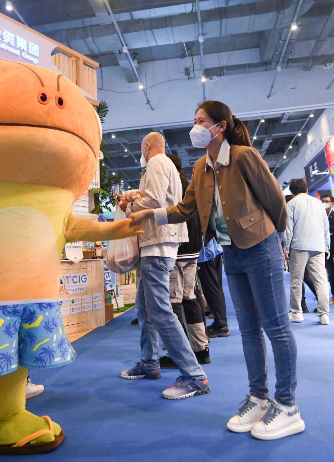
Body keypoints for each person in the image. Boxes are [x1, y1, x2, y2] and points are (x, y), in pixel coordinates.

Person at [129, 101, 302, 441]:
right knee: (248, 329)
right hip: (230, 251)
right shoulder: (200, 167)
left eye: (201, 120)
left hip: (261, 247)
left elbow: (275, 201)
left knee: (276, 327)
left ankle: (288, 405)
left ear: (220, 126)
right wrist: (149, 214)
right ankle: (258, 397)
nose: (195, 127)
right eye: (194, 120)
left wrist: (274, 238)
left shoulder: (244, 156)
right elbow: (184, 209)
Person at [119, 132, 210, 400]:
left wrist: (129, 205)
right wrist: (134, 198)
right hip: (156, 244)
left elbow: (156, 200)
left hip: (158, 246)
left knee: (160, 311)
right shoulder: (163, 165)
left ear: (147, 146)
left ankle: (194, 374)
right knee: (145, 308)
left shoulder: (156, 162)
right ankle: (150, 362)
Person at [160, 154, 210, 367]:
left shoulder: (169, 185)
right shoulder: (189, 184)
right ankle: (201, 349)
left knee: (173, 301)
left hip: (175, 248)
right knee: (190, 297)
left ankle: (177, 353)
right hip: (193, 249)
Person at [284, 179, 330, 325]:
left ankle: (296, 312)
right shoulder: (319, 203)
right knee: (321, 280)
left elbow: (288, 229)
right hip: (318, 245)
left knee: (296, 280)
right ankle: (324, 314)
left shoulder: (291, 204)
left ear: (292, 191)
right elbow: (326, 226)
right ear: (306, 189)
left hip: (299, 245)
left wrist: (286, 249)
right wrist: (327, 247)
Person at [198, 237, 227, 337]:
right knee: (216, 288)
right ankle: (221, 323)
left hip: (206, 252)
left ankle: (221, 325)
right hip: (215, 249)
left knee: (212, 289)